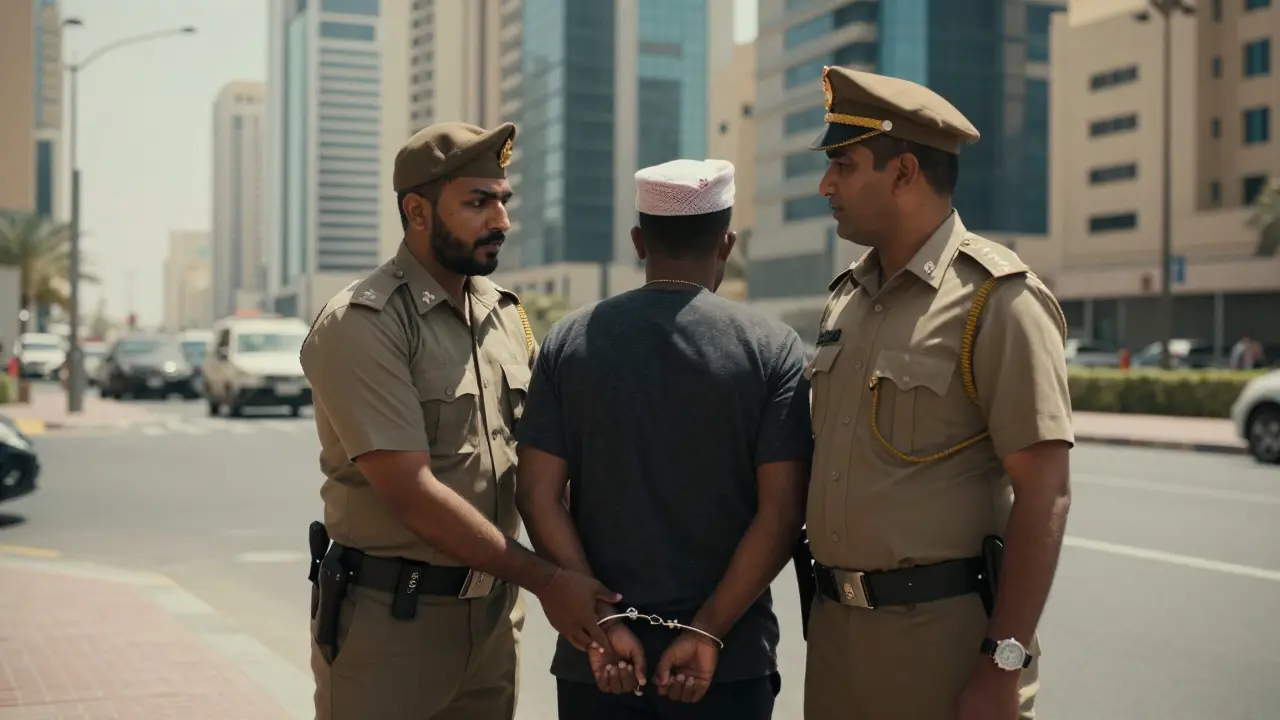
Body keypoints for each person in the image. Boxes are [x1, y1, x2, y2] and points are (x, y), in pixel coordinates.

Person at [300, 120, 620, 720]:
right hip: (392, 630)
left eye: (502, 201)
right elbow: (411, 493)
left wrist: (592, 586)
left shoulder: (503, 316)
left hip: (493, 622)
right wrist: (549, 581)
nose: (501, 220)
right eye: (478, 202)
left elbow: (540, 476)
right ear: (417, 211)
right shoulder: (365, 323)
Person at [799, 66, 1074, 720]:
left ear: (902, 174)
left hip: (945, 646)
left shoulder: (996, 300)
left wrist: (1002, 665)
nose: (825, 184)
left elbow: (1046, 493)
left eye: (844, 164)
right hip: (838, 638)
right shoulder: (847, 301)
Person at [514, 158, 813, 719]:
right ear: (726, 244)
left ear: (637, 241)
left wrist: (604, 621)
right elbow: (783, 511)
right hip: (727, 664)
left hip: (598, 663)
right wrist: (708, 631)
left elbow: (537, 494)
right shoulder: (772, 348)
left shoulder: (569, 342)